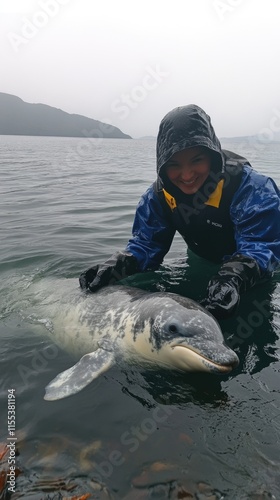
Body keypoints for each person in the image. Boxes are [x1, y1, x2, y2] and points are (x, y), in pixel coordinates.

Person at [79, 105, 280, 319]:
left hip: (256, 273)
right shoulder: (157, 197)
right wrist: (117, 265)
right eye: (174, 164)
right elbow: (147, 245)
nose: (186, 175)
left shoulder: (252, 188)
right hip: (202, 260)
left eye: (197, 160)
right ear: (162, 165)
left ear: (212, 157)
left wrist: (234, 277)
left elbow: (263, 246)